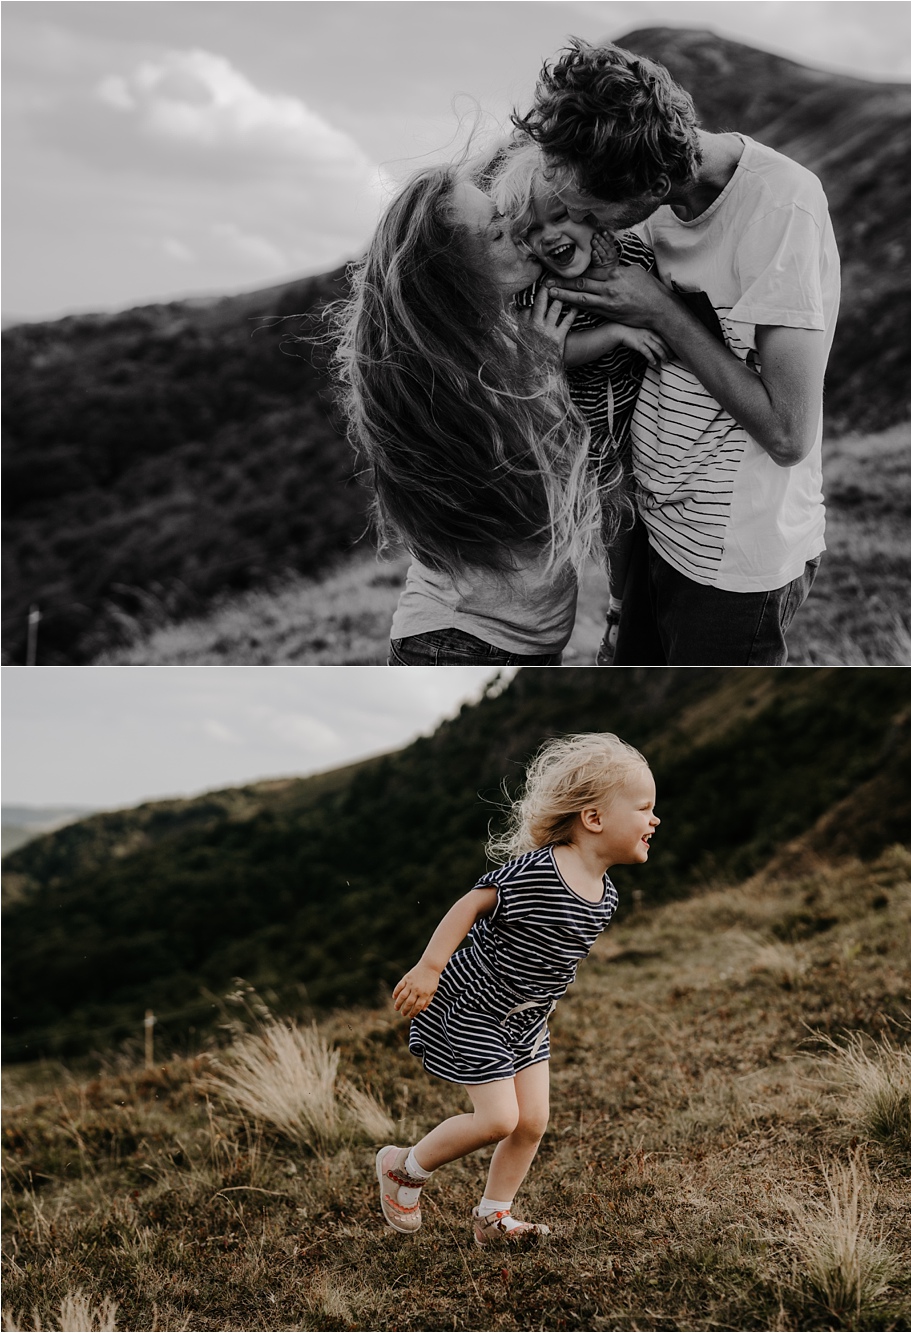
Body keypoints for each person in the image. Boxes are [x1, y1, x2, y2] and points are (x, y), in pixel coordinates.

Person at [514, 39, 842, 666]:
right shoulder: (638, 202)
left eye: (590, 208)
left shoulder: (782, 208)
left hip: (732, 558)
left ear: (655, 183)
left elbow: (789, 433)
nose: (584, 219)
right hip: (651, 529)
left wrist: (660, 310)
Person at [374, 732, 659, 1245]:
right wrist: (429, 967)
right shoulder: (541, 869)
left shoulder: (607, 896)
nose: (654, 820)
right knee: (499, 1119)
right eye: (644, 808)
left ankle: (493, 1217)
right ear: (594, 819)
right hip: (475, 1007)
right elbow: (474, 901)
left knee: (532, 1123)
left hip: (527, 1021)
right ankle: (403, 1169)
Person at [334, 158, 601, 666]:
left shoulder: (496, 337)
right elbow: (544, 497)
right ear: (454, 275)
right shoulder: (445, 381)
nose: (518, 234)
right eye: (495, 235)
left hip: (502, 643)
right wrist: (542, 367)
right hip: (463, 645)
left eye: (505, 219)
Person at [490, 139, 667, 665]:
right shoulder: (539, 290)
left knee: (641, 510)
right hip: (582, 428)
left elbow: (664, 299)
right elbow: (551, 350)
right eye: (530, 233)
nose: (549, 238)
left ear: (594, 214)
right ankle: (615, 608)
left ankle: (628, 610)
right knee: (613, 513)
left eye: (561, 215)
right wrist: (614, 333)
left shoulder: (632, 253)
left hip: (637, 418)